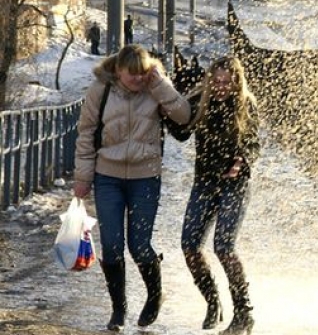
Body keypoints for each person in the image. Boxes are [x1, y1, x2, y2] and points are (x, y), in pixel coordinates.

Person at [73, 45, 191, 331]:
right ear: (118, 71)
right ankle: (118, 310)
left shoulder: (155, 87)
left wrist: (159, 84)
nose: (138, 80)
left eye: (142, 74)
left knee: (139, 246)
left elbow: (184, 116)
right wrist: (82, 177)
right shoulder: (101, 89)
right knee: (112, 247)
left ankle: (154, 295)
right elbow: (86, 132)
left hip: (145, 177)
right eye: (132, 75)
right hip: (107, 176)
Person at [172, 56, 260, 334]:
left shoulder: (245, 104)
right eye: (217, 81)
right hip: (205, 183)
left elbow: (254, 144)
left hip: (235, 184)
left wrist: (241, 160)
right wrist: (167, 109)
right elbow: (182, 133)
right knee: (189, 246)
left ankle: (244, 313)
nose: (221, 87)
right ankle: (212, 302)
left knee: (224, 247)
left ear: (236, 82)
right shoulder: (201, 101)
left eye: (227, 82)